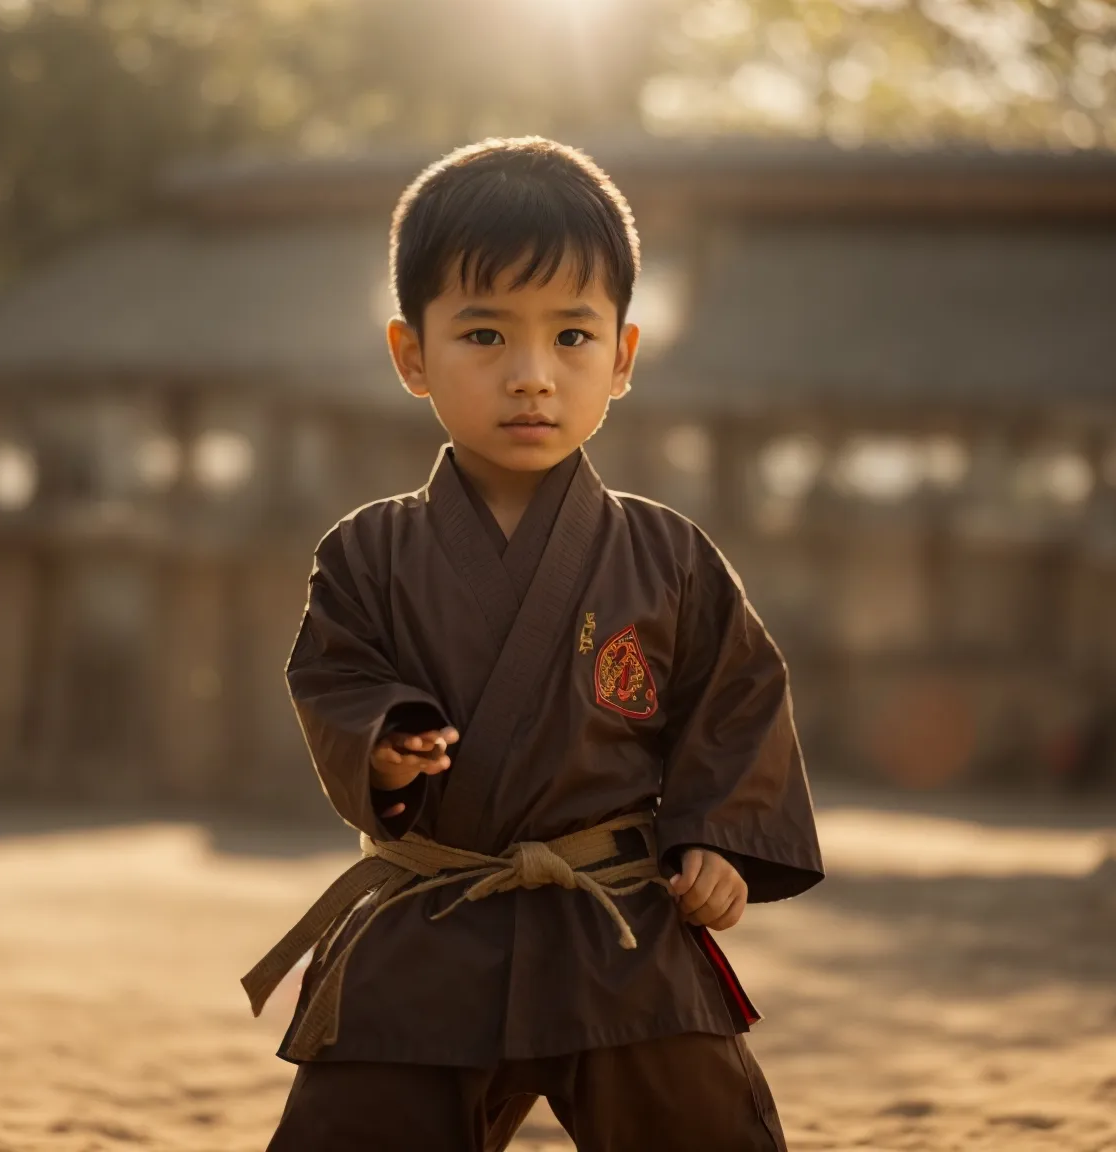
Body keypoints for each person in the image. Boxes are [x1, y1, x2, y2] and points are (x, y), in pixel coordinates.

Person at [242, 138, 822, 1152]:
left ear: (623, 357)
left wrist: (718, 836)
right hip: (429, 917)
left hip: (617, 920)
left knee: (706, 1125)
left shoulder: (666, 554)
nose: (530, 377)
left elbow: (734, 701)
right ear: (409, 354)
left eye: (570, 337)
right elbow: (332, 675)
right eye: (482, 334)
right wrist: (383, 743)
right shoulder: (368, 552)